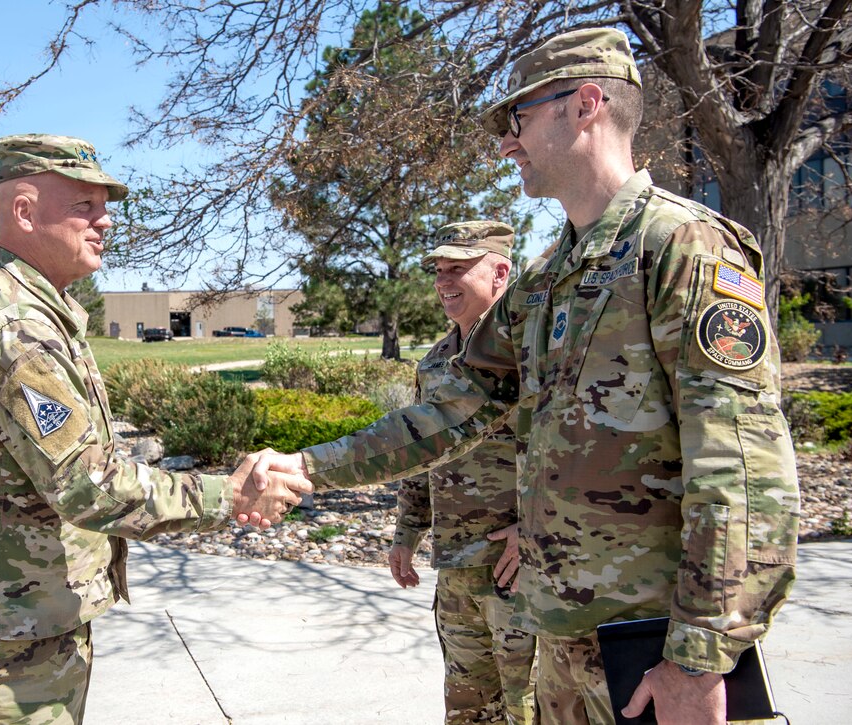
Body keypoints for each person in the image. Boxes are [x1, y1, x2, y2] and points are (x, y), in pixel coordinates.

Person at [248, 28, 799, 724]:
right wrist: (306, 466)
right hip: (563, 650)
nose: (506, 143)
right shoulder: (543, 281)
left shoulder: (682, 250)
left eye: (517, 119)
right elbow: (450, 414)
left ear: (586, 104)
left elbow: (744, 475)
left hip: (655, 657)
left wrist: (699, 657)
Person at [0, 133, 308, 724]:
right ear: (23, 210)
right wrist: (232, 492)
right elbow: (89, 485)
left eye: (105, 205)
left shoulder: (35, 311)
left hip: (19, 624)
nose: (106, 221)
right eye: (84, 206)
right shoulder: (15, 329)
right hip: (1, 650)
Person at [389, 221, 537, 724]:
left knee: (532, 706)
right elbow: (418, 449)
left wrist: (535, 530)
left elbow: (573, 449)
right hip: (457, 567)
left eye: (458, 269)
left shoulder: (534, 352)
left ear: (500, 272)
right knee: (469, 707)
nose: (443, 281)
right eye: (438, 270)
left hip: (521, 569)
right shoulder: (435, 363)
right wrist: (407, 533)